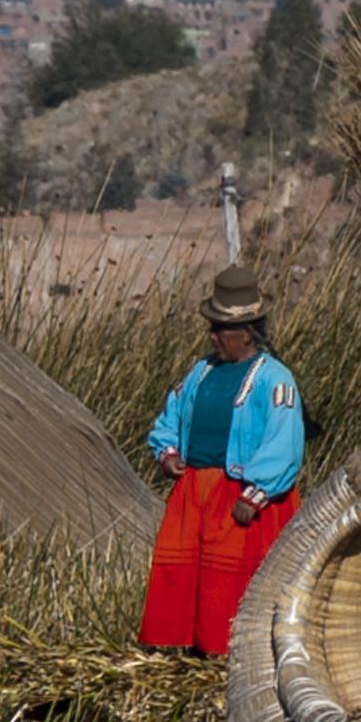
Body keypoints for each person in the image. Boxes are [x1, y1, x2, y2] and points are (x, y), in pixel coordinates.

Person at [136, 265, 307, 656]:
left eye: (219, 330)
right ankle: (181, 650)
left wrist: (256, 494)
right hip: (194, 490)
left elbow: (284, 442)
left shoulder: (274, 379)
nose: (211, 337)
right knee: (179, 575)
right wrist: (168, 453)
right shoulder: (201, 371)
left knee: (224, 583)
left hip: (240, 497)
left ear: (245, 332)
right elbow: (171, 415)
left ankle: (223, 656)